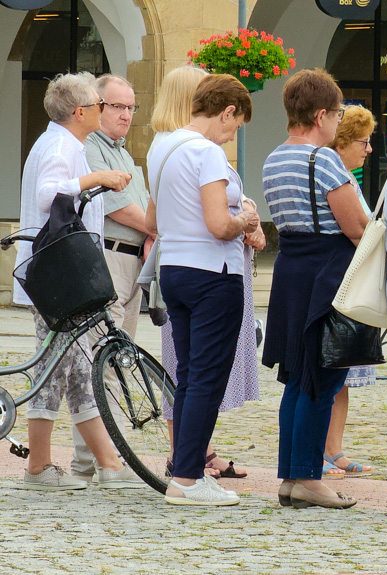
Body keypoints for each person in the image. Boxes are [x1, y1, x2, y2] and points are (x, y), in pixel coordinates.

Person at [13, 71, 141, 490]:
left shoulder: (66, 143)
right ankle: (46, 466)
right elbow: (49, 195)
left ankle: (102, 463)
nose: (107, 111)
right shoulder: (61, 146)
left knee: (73, 368)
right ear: (81, 111)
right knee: (59, 368)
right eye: (102, 105)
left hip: (63, 274)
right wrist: (96, 179)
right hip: (57, 276)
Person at [146, 73, 260, 505]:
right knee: (207, 378)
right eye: (235, 126)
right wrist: (246, 220)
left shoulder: (162, 146)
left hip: (174, 269)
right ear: (226, 111)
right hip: (214, 272)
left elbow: (154, 220)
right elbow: (219, 225)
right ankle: (189, 478)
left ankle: (188, 471)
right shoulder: (207, 152)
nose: (231, 135)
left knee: (191, 376)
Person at [262, 69, 369, 510]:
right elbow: (356, 227)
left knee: (296, 378)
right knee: (322, 379)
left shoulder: (272, 159)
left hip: (292, 270)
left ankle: (292, 475)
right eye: (338, 112)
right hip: (327, 273)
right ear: (322, 114)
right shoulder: (322, 160)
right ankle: (307, 475)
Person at [73, 74, 153, 481]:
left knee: (117, 358)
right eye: (117, 106)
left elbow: (138, 203)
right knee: (101, 361)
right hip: (109, 259)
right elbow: (120, 210)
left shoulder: (122, 152)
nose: (126, 115)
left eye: (131, 107)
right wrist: (158, 229)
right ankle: (99, 461)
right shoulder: (89, 147)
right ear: (97, 106)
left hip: (132, 262)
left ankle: (94, 458)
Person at [323, 104, 377, 477]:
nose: (369, 149)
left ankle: (334, 449)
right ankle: (323, 451)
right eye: (364, 141)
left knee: (342, 379)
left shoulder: (350, 178)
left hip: (351, 282)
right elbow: (359, 229)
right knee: (329, 375)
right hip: (339, 282)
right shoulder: (335, 176)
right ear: (342, 143)